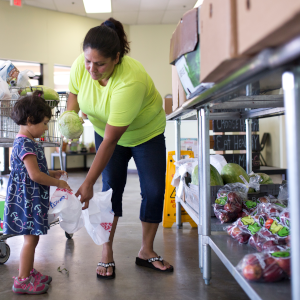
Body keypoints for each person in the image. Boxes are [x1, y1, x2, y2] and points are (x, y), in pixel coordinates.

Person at [67, 18, 173, 279]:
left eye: (100, 64)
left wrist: (88, 180)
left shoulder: (130, 80)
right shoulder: (82, 66)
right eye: (88, 61)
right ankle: (106, 252)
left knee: (154, 190)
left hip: (145, 134)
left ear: (116, 58)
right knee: (110, 189)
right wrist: (68, 125)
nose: (91, 69)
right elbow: (72, 97)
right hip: (107, 130)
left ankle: (146, 251)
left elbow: (112, 141)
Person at [4, 91, 72, 294]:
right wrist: (58, 182)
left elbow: (35, 170)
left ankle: (29, 272)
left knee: (33, 238)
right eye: (44, 123)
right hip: (27, 200)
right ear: (30, 120)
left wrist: (53, 172)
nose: (45, 128)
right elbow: (34, 175)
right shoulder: (25, 143)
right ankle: (22, 280)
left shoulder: (28, 142)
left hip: (30, 198)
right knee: (31, 239)